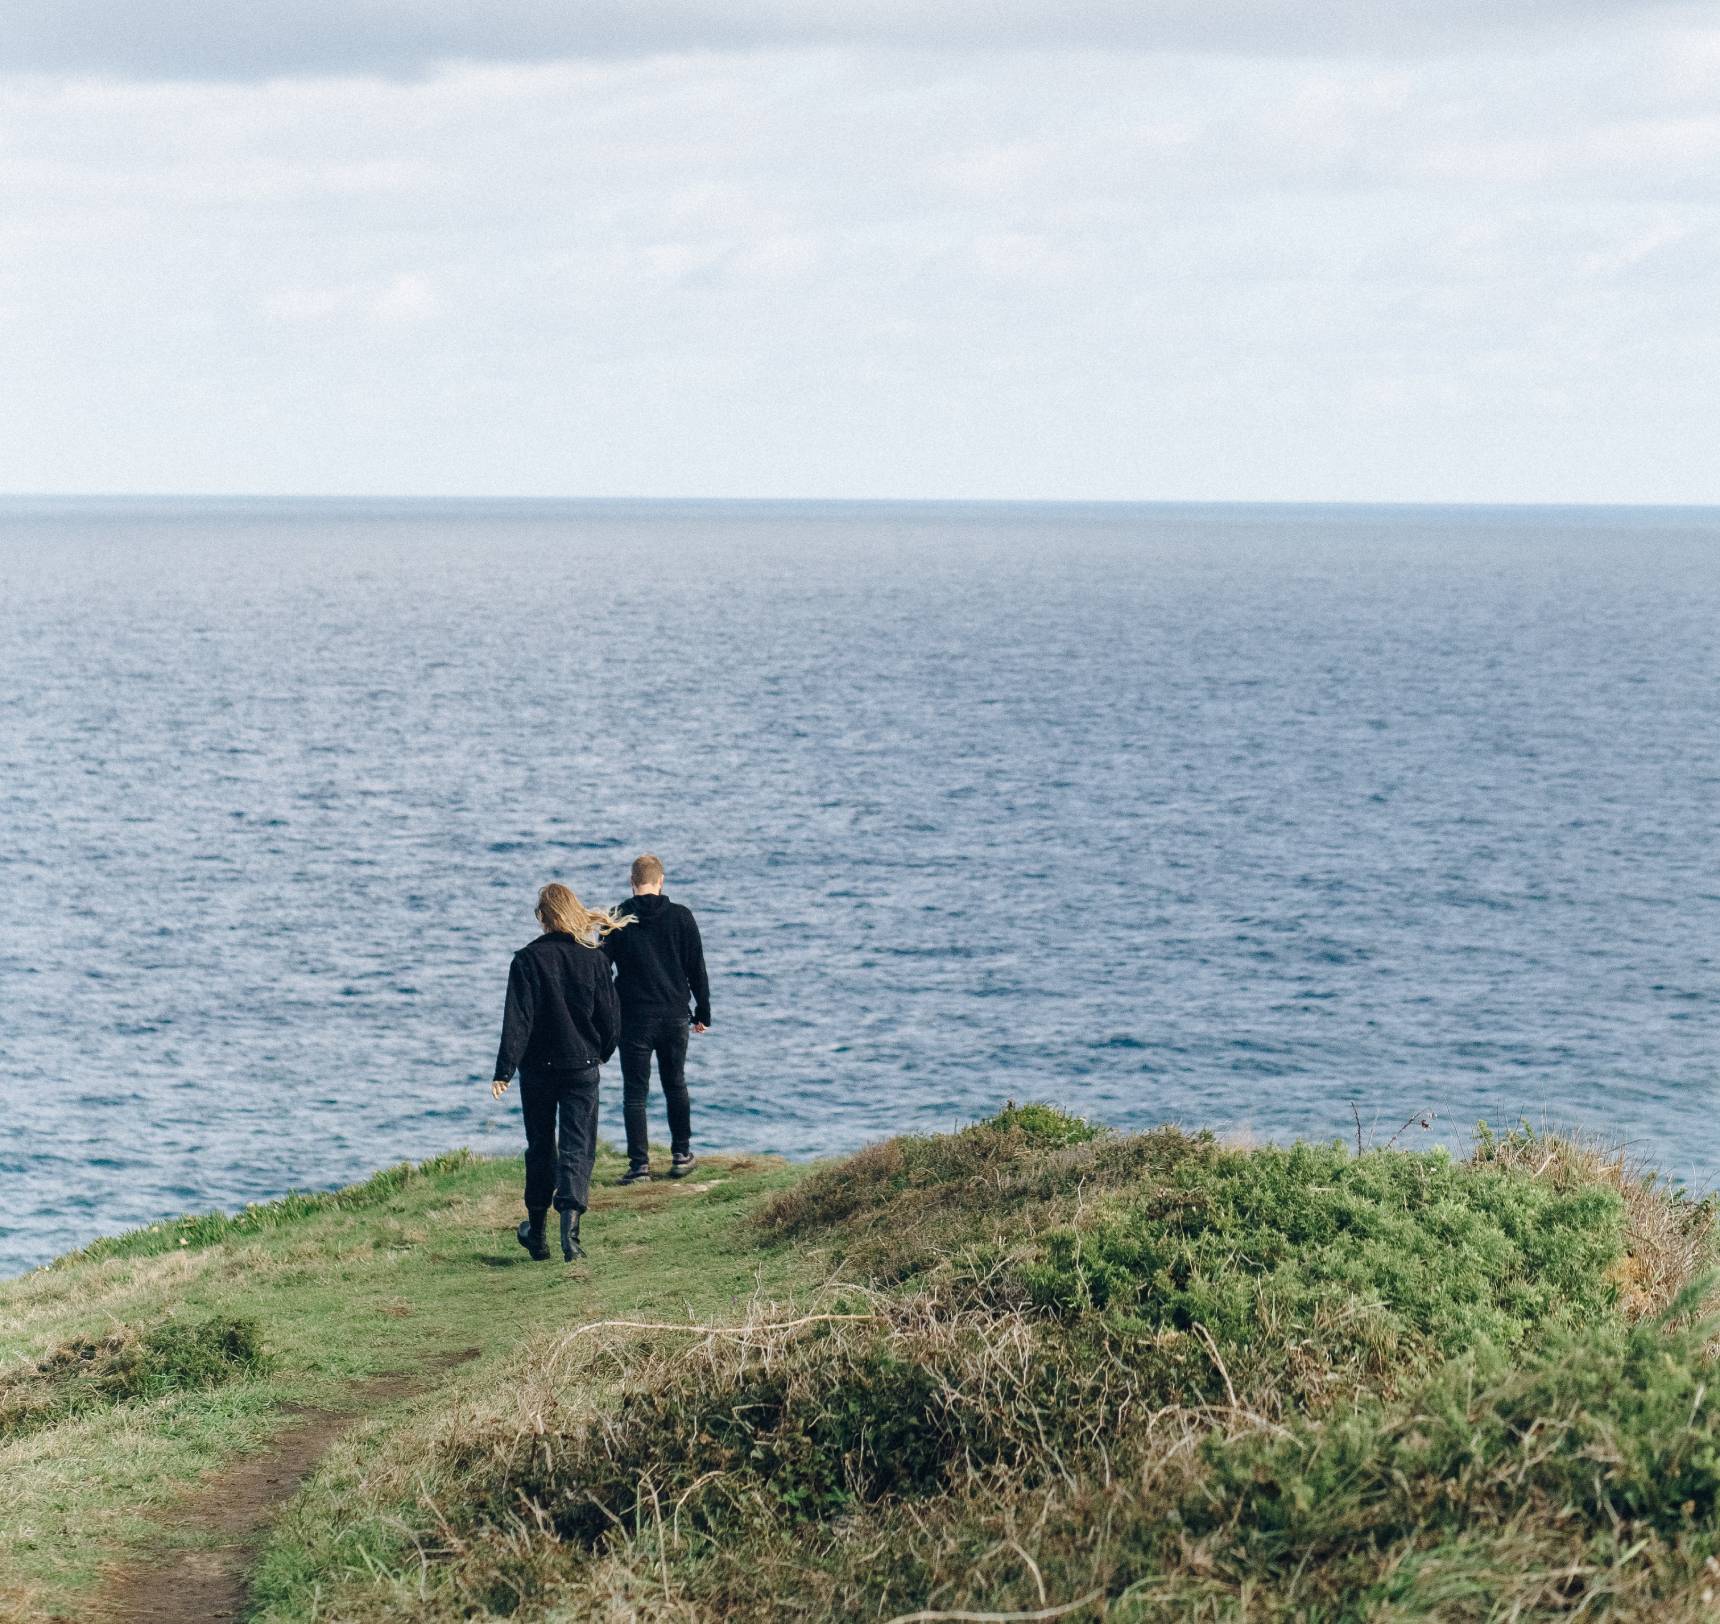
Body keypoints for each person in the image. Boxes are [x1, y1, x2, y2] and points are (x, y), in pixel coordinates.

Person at [491, 883, 625, 1261]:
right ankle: (571, 1236)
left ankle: (537, 1232)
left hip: (537, 1070)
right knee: (577, 1147)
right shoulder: (595, 959)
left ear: (543, 918)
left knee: (540, 1147)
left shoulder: (526, 960)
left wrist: (504, 1070)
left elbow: (517, 1022)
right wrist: (603, 1051)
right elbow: (610, 1019)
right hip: (582, 1064)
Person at [602, 853, 710, 1183]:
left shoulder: (617, 917)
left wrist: (606, 1012)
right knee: (675, 1083)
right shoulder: (682, 917)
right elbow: (697, 969)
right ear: (661, 881)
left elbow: (601, 969)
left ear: (632, 882)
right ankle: (681, 1155)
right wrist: (703, 1012)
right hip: (675, 1013)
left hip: (634, 1017)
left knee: (635, 1094)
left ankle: (639, 1166)